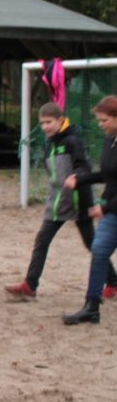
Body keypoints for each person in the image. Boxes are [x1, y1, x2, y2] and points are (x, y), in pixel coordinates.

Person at [6, 102, 117, 300]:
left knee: (92, 244)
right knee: (43, 239)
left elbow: (84, 166)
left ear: (60, 120)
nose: (45, 127)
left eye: (49, 122)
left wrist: (77, 178)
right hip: (57, 201)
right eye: (42, 123)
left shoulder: (72, 141)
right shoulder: (50, 142)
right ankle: (30, 285)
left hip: (77, 200)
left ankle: (112, 283)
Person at [62, 95, 117, 325]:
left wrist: (104, 208)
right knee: (99, 250)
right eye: (99, 120)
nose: (100, 124)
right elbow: (107, 175)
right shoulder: (110, 140)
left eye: (104, 120)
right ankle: (92, 306)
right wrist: (81, 179)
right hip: (112, 210)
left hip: (110, 208)